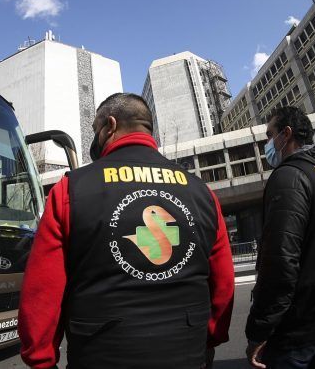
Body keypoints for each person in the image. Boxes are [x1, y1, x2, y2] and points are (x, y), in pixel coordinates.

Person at [18, 93, 235, 369]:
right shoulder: (202, 193)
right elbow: (223, 283)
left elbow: (41, 294)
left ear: (110, 126)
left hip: (100, 355)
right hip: (188, 354)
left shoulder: (70, 191)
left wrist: (41, 360)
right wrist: (209, 338)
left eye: (96, 131)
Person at [245, 106, 315, 369]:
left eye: (269, 134)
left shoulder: (290, 176)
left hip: (296, 329)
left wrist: (260, 330)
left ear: (286, 134)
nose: (267, 144)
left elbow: (280, 261)